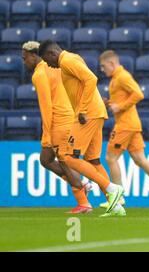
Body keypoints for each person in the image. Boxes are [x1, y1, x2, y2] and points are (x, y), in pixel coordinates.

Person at [38, 40, 124, 217]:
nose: (48, 65)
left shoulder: (67, 61)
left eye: (47, 60)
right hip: (96, 111)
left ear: (51, 54)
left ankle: (112, 188)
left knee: (68, 157)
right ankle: (115, 205)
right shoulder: (72, 57)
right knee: (93, 160)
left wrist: (82, 109)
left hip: (88, 114)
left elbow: (91, 79)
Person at [98, 50, 149, 209]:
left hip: (125, 124)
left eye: (103, 66)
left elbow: (138, 94)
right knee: (139, 159)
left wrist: (120, 106)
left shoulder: (122, 76)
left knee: (111, 158)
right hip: (132, 124)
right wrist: (111, 103)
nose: (102, 70)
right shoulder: (116, 78)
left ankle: (117, 198)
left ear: (112, 63)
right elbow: (123, 99)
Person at [22, 41, 92, 214]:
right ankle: (81, 185)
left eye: (25, 58)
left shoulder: (39, 74)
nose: (24, 62)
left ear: (33, 55)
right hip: (68, 117)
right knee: (45, 159)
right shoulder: (56, 67)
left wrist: (46, 135)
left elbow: (46, 107)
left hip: (59, 123)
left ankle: (83, 197)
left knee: (65, 162)